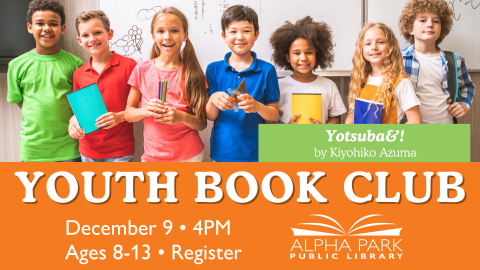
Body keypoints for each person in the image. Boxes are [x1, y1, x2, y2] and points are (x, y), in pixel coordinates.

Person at [124, 7, 208, 162]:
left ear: (185, 35)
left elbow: (202, 123)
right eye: (161, 31)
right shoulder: (141, 70)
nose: (167, 37)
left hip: (189, 156)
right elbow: (128, 114)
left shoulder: (193, 73)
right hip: (153, 157)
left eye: (174, 31)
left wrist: (182, 117)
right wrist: (145, 110)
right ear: (153, 36)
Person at [7, 0, 83, 162]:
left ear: (62, 29)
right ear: (30, 27)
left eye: (53, 24)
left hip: (69, 148)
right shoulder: (16, 65)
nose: (46, 28)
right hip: (33, 150)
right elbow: (21, 102)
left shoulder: (75, 64)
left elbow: (81, 104)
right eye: (39, 23)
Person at [206, 5, 280, 162]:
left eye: (246, 31)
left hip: (258, 153)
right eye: (233, 31)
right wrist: (213, 98)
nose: (239, 37)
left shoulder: (267, 70)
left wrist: (258, 106)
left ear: (256, 34)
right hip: (222, 152)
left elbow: (273, 115)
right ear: (224, 36)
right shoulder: (213, 69)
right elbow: (210, 116)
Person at [68, 10, 137, 162]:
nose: (92, 39)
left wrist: (119, 117)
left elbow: (141, 107)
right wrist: (73, 120)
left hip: (120, 150)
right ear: (79, 40)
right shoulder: (79, 74)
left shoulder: (130, 65)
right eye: (85, 35)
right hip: (88, 151)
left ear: (110, 34)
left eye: (97, 32)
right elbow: (79, 110)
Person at [399, 0, 475, 123]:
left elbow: (467, 86)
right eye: (423, 20)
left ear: (442, 28)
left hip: (445, 129)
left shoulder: (455, 60)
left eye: (435, 21)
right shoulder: (398, 60)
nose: (430, 24)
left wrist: (464, 105)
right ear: (410, 29)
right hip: (411, 131)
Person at [270, 16, 346, 124]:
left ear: (317, 55)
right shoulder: (278, 86)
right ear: (287, 57)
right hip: (287, 140)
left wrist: (324, 130)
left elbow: (336, 117)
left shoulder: (329, 86)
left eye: (309, 52)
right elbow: (270, 120)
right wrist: (286, 130)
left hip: (320, 141)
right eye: (297, 53)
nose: (303, 58)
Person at [345, 23, 421, 124]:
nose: (374, 47)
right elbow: (351, 117)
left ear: (391, 46)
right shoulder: (360, 80)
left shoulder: (401, 83)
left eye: (380, 42)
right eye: (368, 44)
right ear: (361, 49)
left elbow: (415, 121)